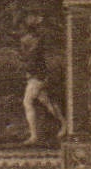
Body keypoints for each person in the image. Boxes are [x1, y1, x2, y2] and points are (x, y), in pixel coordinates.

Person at [16, 11, 65, 144]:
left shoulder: (31, 41)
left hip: (37, 77)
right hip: (37, 76)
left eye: (21, 28)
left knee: (27, 103)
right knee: (47, 102)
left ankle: (34, 136)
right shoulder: (33, 41)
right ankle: (65, 125)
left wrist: (24, 59)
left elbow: (31, 59)